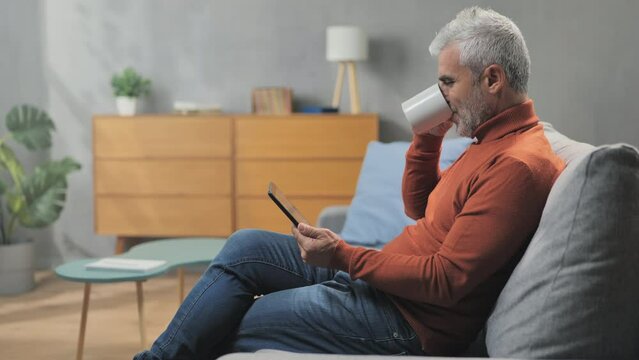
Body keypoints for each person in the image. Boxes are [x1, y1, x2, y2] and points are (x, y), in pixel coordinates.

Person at [134, 7, 565, 359]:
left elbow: (446, 280)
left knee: (231, 320)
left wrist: (343, 256)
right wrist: (426, 138)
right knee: (246, 246)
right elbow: (422, 208)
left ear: (492, 79)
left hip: (405, 320)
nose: (441, 96)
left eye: (448, 83)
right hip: (382, 285)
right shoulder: (488, 139)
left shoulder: (516, 165)